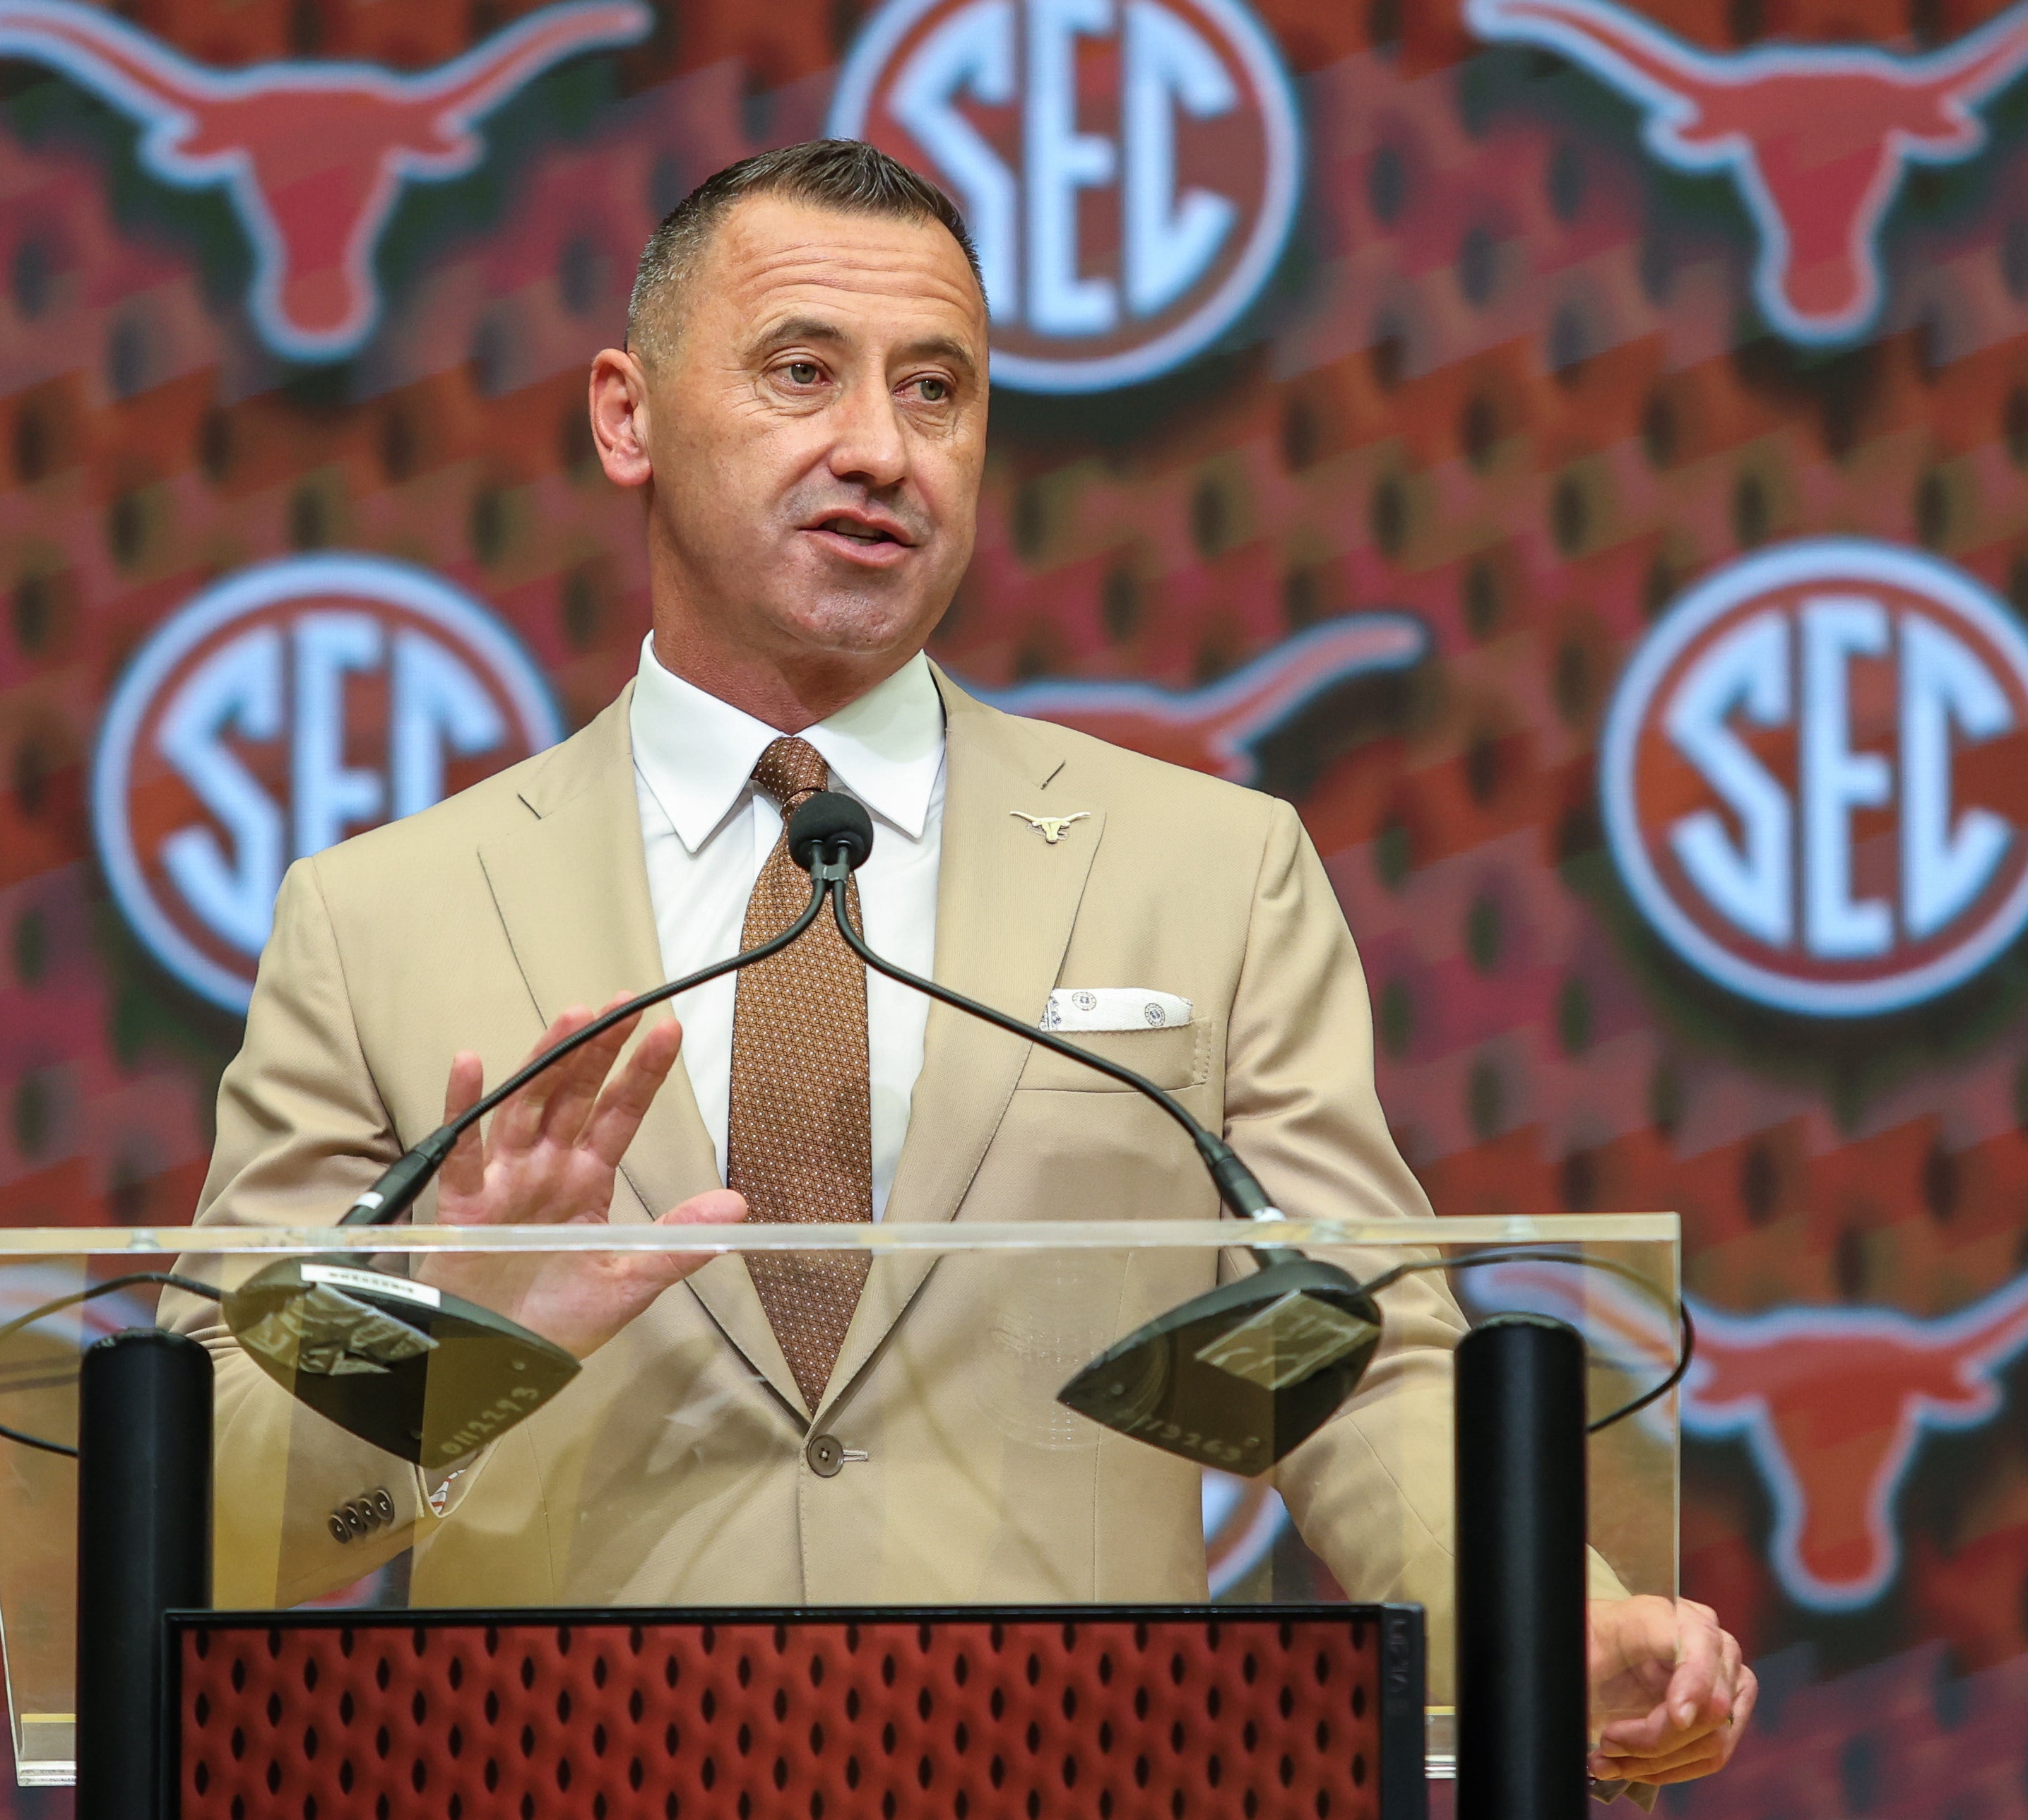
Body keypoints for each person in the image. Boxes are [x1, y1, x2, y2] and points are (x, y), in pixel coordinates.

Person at [175, 138, 1753, 1790]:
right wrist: (446, 1344)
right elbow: (189, 1507)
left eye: (937, 391)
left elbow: (1356, 1361)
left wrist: (1544, 1615)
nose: (878, 449)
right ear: (625, 416)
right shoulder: (378, 917)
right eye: (802, 373)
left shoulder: (1207, 872)